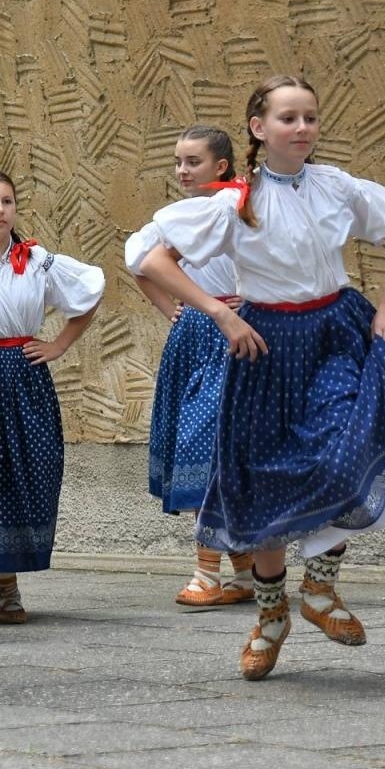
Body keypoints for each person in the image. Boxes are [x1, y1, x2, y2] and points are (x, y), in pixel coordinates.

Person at [136, 74, 385, 680]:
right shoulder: (237, 200)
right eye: (289, 118)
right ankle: (271, 614)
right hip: (266, 346)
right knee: (264, 485)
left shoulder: (336, 185)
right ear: (259, 129)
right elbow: (152, 259)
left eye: (310, 117)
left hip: (337, 330)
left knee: (344, 455)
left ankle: (319, 589)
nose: (303, 128)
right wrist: (218, 312)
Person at [0, 171, 105, 623]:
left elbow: (88, 293)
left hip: (26, 377)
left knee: (32, 471)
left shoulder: (38, 260)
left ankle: (3, 562)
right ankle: (8, 585)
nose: (0, 210)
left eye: (7, 201)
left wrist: (59, 344)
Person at [124, 126, 254, 608]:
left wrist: (252, 302)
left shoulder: (239, 204)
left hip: (242, 331)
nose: (182, 170)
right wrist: (170, 308)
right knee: (202, 441)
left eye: (192, 162)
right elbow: (141, 261)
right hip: (199, 333)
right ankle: (215, 571)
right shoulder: (178, 218)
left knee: (226, 446)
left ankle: (226, 572)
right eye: (178, 161)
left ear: (220, 167)